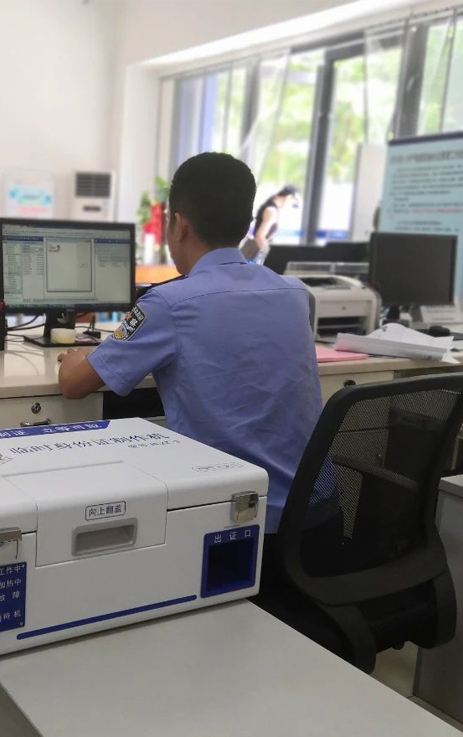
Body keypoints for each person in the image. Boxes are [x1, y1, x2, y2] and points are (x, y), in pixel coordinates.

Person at [58, 152, 322, 546]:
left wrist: (76, 355)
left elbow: (73, 385)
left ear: (179, 225)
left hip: (237, 526)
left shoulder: (169, 303)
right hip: (316, 516)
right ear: (247, 223)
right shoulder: (295, 293)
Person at [240, 184, 299, 262]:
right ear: (289, 197)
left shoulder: (272, 208)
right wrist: (269, 255)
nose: (291, 206)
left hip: (251, 254)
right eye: (293, 204)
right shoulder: (271, 211)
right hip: (253, 255)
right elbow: (260, 236)